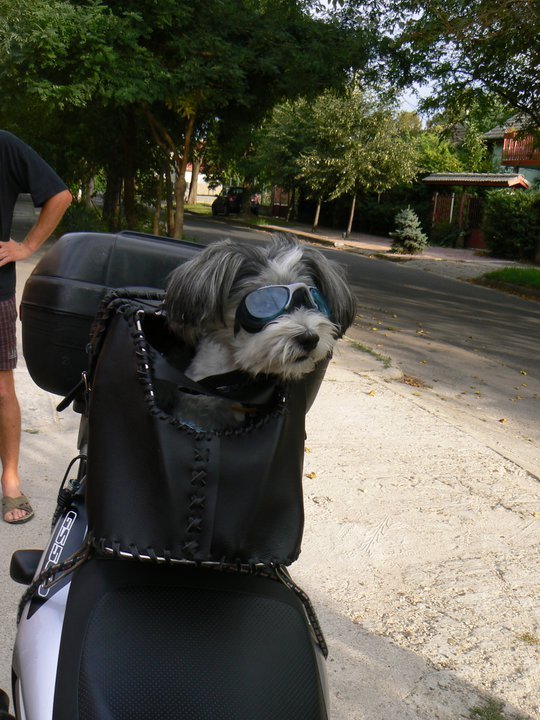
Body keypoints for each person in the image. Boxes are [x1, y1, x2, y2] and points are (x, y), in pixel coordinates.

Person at [0, 130, 72, 524]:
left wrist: (26, 247)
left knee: (1, 388)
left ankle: (10, 481)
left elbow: (60, 196)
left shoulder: (4, 145)